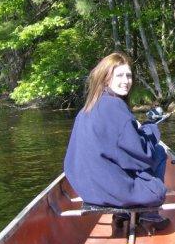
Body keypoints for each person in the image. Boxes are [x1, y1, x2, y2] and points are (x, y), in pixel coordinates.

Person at [64, 52, 168, 227]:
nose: (126, 81)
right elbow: (144, 156)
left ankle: (123, 215)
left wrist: (136, 131)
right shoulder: (115, 106)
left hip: (88, 191)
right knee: (158, 153)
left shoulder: (88, 107)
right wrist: (151, 128)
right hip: (109, 191)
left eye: (128, 76)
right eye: (119, 75)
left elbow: (117, 147)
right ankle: (150, 214)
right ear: (106, 79)